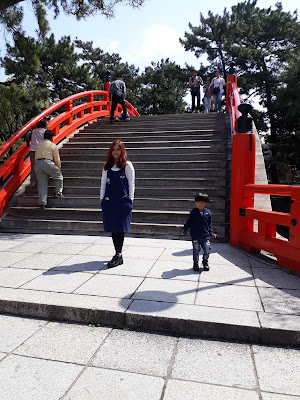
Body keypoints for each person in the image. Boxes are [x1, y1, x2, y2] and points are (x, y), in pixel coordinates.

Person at [100, 140, 135, 268]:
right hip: (109, 201)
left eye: (118, 149)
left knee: (120, 228)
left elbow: (131, 183)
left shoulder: (127, 165)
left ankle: (118, 255)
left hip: (122, 201)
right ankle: (118, 253)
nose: (115, 152)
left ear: (122, 151)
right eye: (113, 149)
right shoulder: (107, 166)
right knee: (113, 229)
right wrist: (101, 198)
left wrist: (131, 198)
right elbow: (103, 183)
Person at [181, 193, 217, 272]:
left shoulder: (208, 213)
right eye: (198, 202)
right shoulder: (193, 212)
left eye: (202, 202)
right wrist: (185, 228)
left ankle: (205, 262)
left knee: (207, 249)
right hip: (195, 235)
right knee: (196, 250)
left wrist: (211, 233)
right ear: (195, 203)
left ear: (206, 203)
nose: (200, 204)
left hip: (205, 235)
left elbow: (209, 225)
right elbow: (189, 222)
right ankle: (196, 264)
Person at [34, 129, 64, 209]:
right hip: (48, 163)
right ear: (51, 137)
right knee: (59, 177)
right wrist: (59, 167)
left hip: (38, 164)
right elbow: (57, 159)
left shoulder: (38, 144)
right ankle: (58, 192)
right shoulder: (52, 145)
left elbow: (35, 156)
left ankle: (43, 202)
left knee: (42, 184)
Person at [26, 119, 48, 187]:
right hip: (41, 150)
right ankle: (42, 181)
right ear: (44, 125)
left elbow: (27, 138)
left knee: (33, 167)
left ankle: (33, 182)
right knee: (42, 165)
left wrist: (28, 144)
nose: (48, 126)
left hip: (32, 150)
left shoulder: (34, 131)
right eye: (47, 124)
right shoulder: (45, 132)